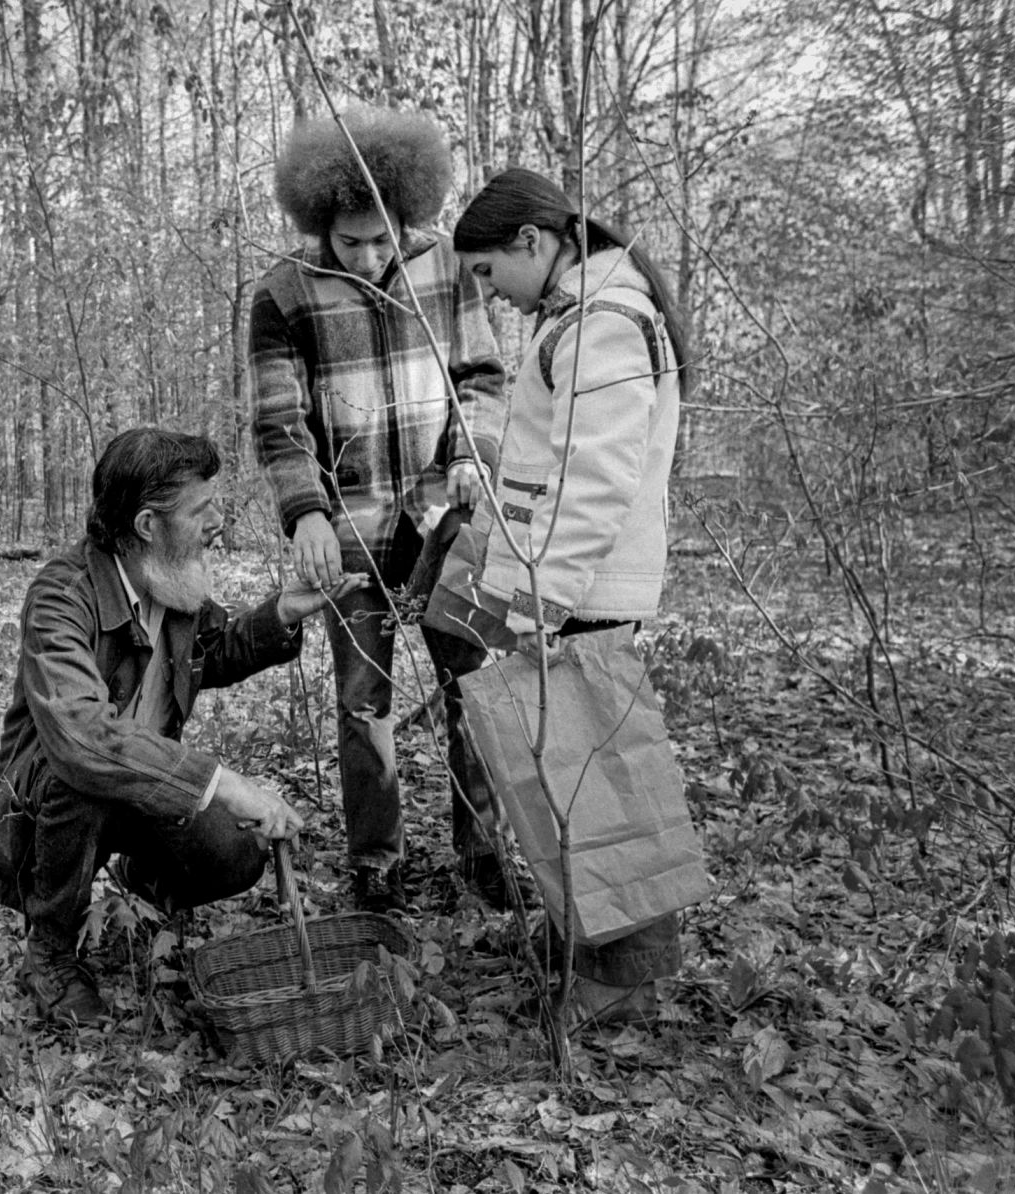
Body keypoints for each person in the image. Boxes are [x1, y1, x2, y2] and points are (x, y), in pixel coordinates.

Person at [0, 428, 363, 1026]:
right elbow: (83, 736)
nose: (218, 522)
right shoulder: (62, 595)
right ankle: (49, 953)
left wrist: (282, 612)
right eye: (202, 510)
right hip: (54, 801)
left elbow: (211, 652)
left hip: (145, 787)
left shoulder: (169, 577)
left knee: (239, 854)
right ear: (148, 524)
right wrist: (223, 783)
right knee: (82, 775)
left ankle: (142, 890)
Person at [422, 165, 694, 1026]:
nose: (490, 294)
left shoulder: (602, 321)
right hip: (569, 586)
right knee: (572, 776)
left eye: (489, 272)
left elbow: (595, 482)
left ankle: (625, 974)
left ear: (533, 241)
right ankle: (591, 936)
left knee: (597, 784)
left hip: (584, 591)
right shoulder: (578, 313)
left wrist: (543, 601)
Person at [250, 106, 509, 913]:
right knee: (363, 702)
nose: (368, 256)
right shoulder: (283, 294)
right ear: (318, 223)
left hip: (445, 520)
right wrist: (306, 513)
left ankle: (485, 854)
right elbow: (280, 422)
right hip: (348, 530)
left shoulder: (448, 270)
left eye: (382, 238)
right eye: (350, 241)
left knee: (474, 683)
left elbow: (482, 378)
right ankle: (376, 866)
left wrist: (470, 454)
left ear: (406, 215)